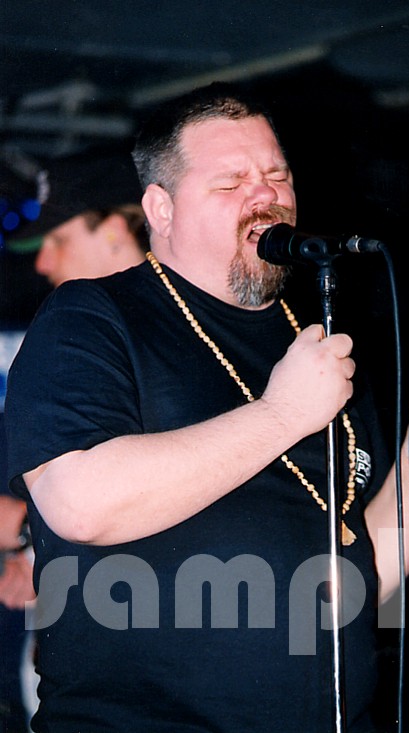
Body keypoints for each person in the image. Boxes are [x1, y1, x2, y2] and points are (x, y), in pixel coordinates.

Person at [4, 83, 409, 733]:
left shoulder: (320, 344)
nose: (265, 194)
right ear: (160, 208)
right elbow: (79, 503)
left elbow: (356, 581)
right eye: (230, 182)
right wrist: (281, 415)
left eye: (276, 174)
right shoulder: (92, 317)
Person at [0, 151, 148, 732]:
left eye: (59, 239)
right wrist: (36, 548)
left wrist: (31, 536)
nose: (42, 262)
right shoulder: (80, 337)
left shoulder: (182, 333)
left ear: (114, 228)